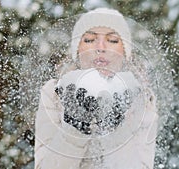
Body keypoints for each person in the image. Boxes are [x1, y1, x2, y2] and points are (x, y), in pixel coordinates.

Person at [35, 8, 158, 169]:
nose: (100, 47)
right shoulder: (53, 93)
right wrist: (75, 128)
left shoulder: (141, 99)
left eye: (113, 40)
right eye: (90, 40)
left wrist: (116, 132)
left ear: (125, 51)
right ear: (77, 50)